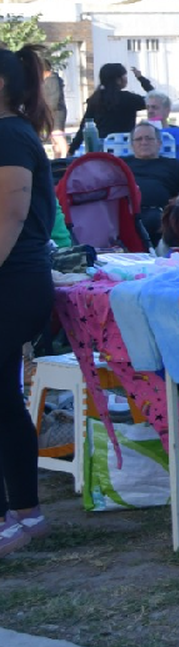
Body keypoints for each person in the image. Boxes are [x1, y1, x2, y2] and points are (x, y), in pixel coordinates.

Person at [0, 43, 57, 557]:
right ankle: (23, 515)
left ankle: (13, 519)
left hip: (13, 280)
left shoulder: (10, 136)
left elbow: (11, 215)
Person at [124, 122, 179, 244]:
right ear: (132, 145)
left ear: (159, 143)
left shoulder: (174, 165)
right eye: (139, 139)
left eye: (149, 138)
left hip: (160, 214)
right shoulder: (121, 165)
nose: (144, 142)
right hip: (127, 214)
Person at [69, 62, 151, 151]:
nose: (126, 79)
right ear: (118, 80)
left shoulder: (96, 99)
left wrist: (72, 149)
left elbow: (85, 125)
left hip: (103, 147)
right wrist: (141, 78)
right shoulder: (129, 98)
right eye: (125, 76)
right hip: (125, 146)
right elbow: (155, 98)